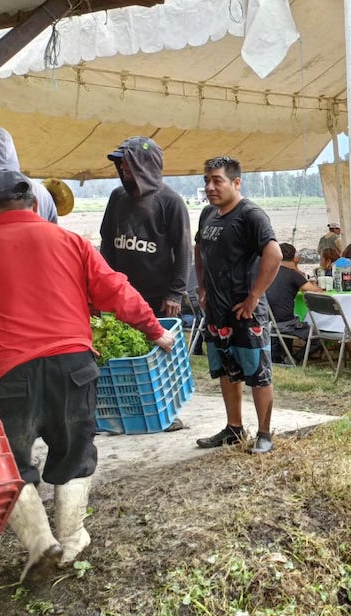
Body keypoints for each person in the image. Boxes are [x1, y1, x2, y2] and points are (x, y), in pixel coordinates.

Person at [0, 169, 174, 582]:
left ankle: (39, 543)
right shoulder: (70, 242)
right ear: (34, 204)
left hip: (7, 373)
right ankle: (70, 540)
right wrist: (156, 331)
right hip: (74, 367)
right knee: (73, 450)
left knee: (11, 464)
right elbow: (116, 291)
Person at [194, 157, 282, 455]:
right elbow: (199, 248)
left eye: (217, 180)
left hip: (246, 312)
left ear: (236, 182)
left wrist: (254, 295)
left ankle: (265, 433)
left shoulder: (251, 215)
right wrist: (202, 286)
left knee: (257, 372)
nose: (210, 187)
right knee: (227, 370)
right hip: (217, 311)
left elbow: (274, 254)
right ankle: (234, 428)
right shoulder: (208, 214)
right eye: (207, 180)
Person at [98, 136, 191, 318]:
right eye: (121, 161)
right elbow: (107, 243)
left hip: (158, 300)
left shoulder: (171, 202)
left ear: (145, 165)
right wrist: (106, 282)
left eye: (128, 161)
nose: (123, 166)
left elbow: (183, 250)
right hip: (122, 295)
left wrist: (175, 293)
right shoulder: (117, 197)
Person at [265, 242, 311, 362]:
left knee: (289, 321)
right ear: (294, 257)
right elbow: (315, 290)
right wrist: (295, 266)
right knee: (317, 335)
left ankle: (285, 356)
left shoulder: (268, 272)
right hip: (286, 323)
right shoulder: (293, 275)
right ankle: (294, 358)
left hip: (268, 320)